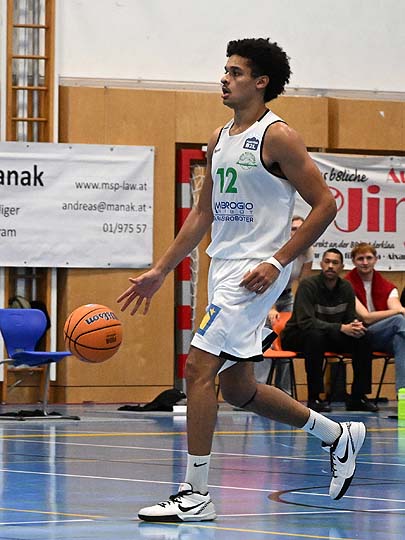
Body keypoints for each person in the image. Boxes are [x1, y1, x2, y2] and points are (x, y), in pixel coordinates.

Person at [117, 38, 365, 522]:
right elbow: (203, 213)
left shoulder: (279, 136)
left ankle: (196, 493)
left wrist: (278, 261)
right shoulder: (219, 138)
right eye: (225, 70)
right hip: (223, 266)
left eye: (235, 72)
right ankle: (336, 434)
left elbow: (326, 205)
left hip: (256, 270)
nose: (224, 78)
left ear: (261, 82)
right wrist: (161, 269)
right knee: (237, 388)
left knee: (197, 368)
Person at [281, 248, 377, 413]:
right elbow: (306, 322)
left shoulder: (346, 287)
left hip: (329, 334)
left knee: (363, 338)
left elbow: (349, 318)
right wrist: (341, 328)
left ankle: (358, 397)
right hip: (298, 335)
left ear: (342, 267)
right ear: (321, 264)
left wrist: (355, 326)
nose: (330, 266)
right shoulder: (308, 285)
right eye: (327, 262)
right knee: (315, 337)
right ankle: (315, 397)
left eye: (335, 263)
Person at [255, 215, 314, 390]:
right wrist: (271, 308)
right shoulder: (277, 249)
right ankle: (259, 387)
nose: (297, 232)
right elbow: (269, 282)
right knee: (266, 338)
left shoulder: (307, 251)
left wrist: (301, 309)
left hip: (287, 296)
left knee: (287, 336)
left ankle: (284, 390)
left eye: (301, 229)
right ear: (287, 231)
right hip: (266, 294)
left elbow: (304, 284)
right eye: (293, 229)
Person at [345, 242, 405, 394]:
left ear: (376, 259)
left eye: (369, 258)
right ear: (353, 261)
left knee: (401, 340)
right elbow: (366, 317)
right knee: (398, 320)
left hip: (384, 336)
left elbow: (397, 308)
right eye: (360, 259)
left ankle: (402, 396)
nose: (365, 262)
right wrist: (398, 311)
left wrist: (398, 311)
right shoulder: (346, 285)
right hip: (360, 336)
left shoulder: (388, 286)